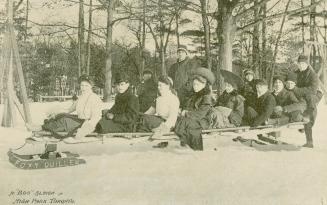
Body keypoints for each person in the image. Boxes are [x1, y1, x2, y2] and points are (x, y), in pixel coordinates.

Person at [26, 75, 103, 142]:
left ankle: (40, 128)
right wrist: (57, 112)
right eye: (82, 85)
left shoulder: (94, 98)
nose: (83, 88)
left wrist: (86, 128)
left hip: (86, 123)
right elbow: (69, 110)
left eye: (86, 86)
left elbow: (97, 116)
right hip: (79, 120)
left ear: (91, 86)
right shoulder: (81, 98)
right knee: (62, 116)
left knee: (65, 121)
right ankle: (42, 128)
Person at [174, 67, 215, 151]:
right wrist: (182, 110)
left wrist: (186, 113)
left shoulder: (206, 97)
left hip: (203, 121)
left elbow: (200, 114)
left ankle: (189, 145)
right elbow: (188, 106)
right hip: (193, 118)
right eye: (194, 84)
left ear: (204, 85)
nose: (195, 87)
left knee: (185, 122)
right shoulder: (194, 95)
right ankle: (185, 143)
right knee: (179, 120)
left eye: (197, 85)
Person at [288, 55, 320, 148]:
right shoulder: (296, 73)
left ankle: (309, 141)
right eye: (299, 63)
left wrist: (297, 89)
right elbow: (291, 80)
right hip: (299, 95)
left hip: (311, 96)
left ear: (307, 64)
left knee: (310, 111)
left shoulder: (312, 75)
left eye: (303, 64)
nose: (301, 65)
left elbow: (312, 89)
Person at [137, 75, 180, 141]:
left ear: (167, 86)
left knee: (145, 120)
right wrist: (140, 116)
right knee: (141, 118)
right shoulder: (158, 99)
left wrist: (161, 130)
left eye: (160, 85)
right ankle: (138, 136)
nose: (158, 87)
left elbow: (172, 119)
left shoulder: (173, 99)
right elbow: (149, 112)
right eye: (158, 85)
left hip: (166, 124)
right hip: (158, 121)